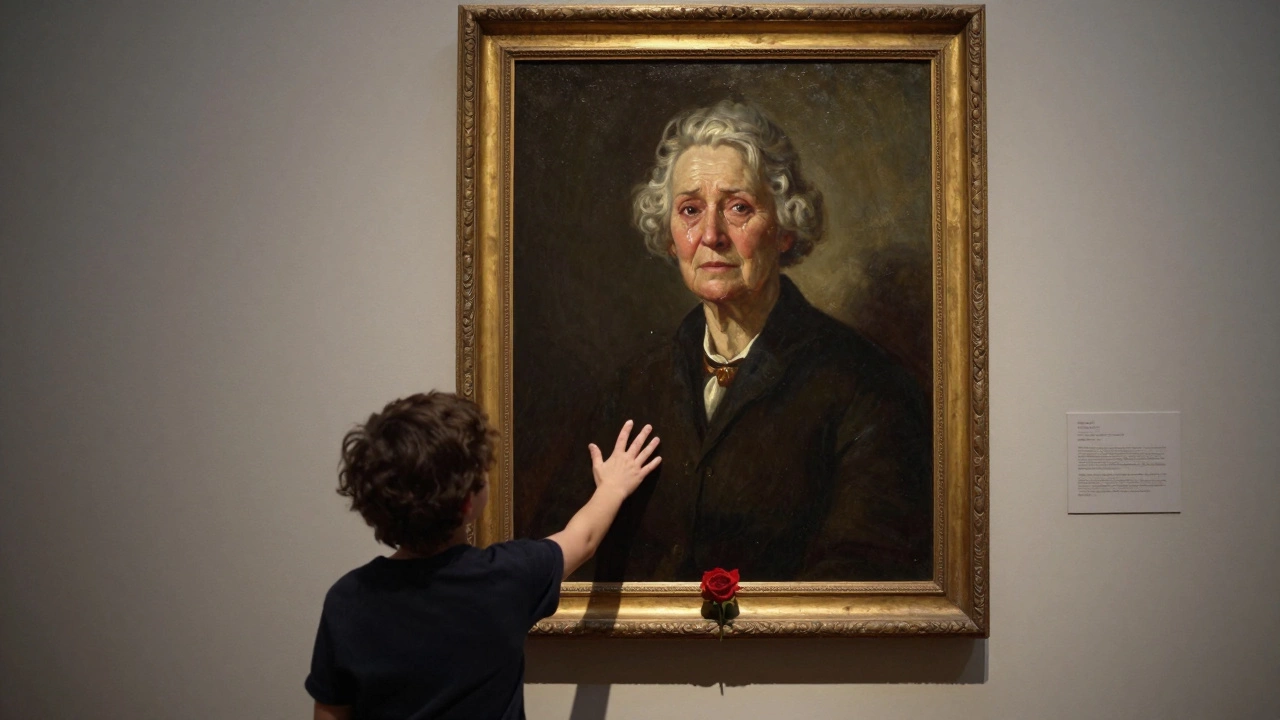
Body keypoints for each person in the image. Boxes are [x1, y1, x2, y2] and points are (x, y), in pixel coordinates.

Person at [538, 100, 932, 583]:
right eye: (689, 210)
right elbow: (559, 545)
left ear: (784, 228)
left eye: (739, 208)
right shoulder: (636, 386)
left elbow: (864, 574)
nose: (711, 235)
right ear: (669, 236)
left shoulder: (865, 386)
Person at [305, 392, 659, 720]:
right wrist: (612, 487)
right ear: (468, 502)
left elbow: (330, 713)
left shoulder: (347, 600)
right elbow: (583, 539)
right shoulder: (505, 577)